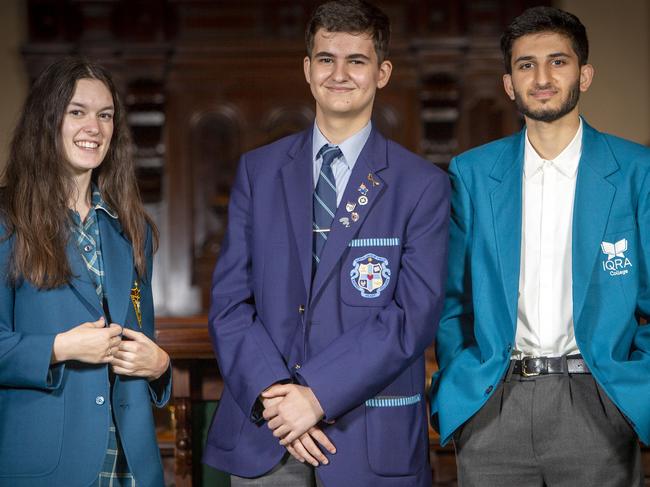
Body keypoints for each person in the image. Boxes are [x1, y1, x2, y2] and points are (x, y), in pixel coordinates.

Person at [203, 0, 450, 485]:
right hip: (266, 432)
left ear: (382, 72)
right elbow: (230, 302)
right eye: (325, 59)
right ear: (307, 69)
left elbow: (412, 316)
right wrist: (278, 399)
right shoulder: (259, 171)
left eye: (356, 61)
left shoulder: (421, 184)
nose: (339, 74)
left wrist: (315, 396)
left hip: (368, 434)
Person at [429, 6, 649, 486]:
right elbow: (453, 300)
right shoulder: (471, 173)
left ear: (584, 75)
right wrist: (461, 376)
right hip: (495, 402)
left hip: (598, 402)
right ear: (509, 83)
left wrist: (636, 389)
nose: (542, 77)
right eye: (526, 65)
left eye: (558, 61)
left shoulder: (636, 171)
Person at [0, 58, 171, 487]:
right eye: (77, 112)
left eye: (105, 115)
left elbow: (142, 338)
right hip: (47, 465)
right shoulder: (7, 219)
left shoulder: (132, 229)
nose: (93, 127)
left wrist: (160, 364)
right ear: (48, 121)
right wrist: (59, 347)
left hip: (130, 469)